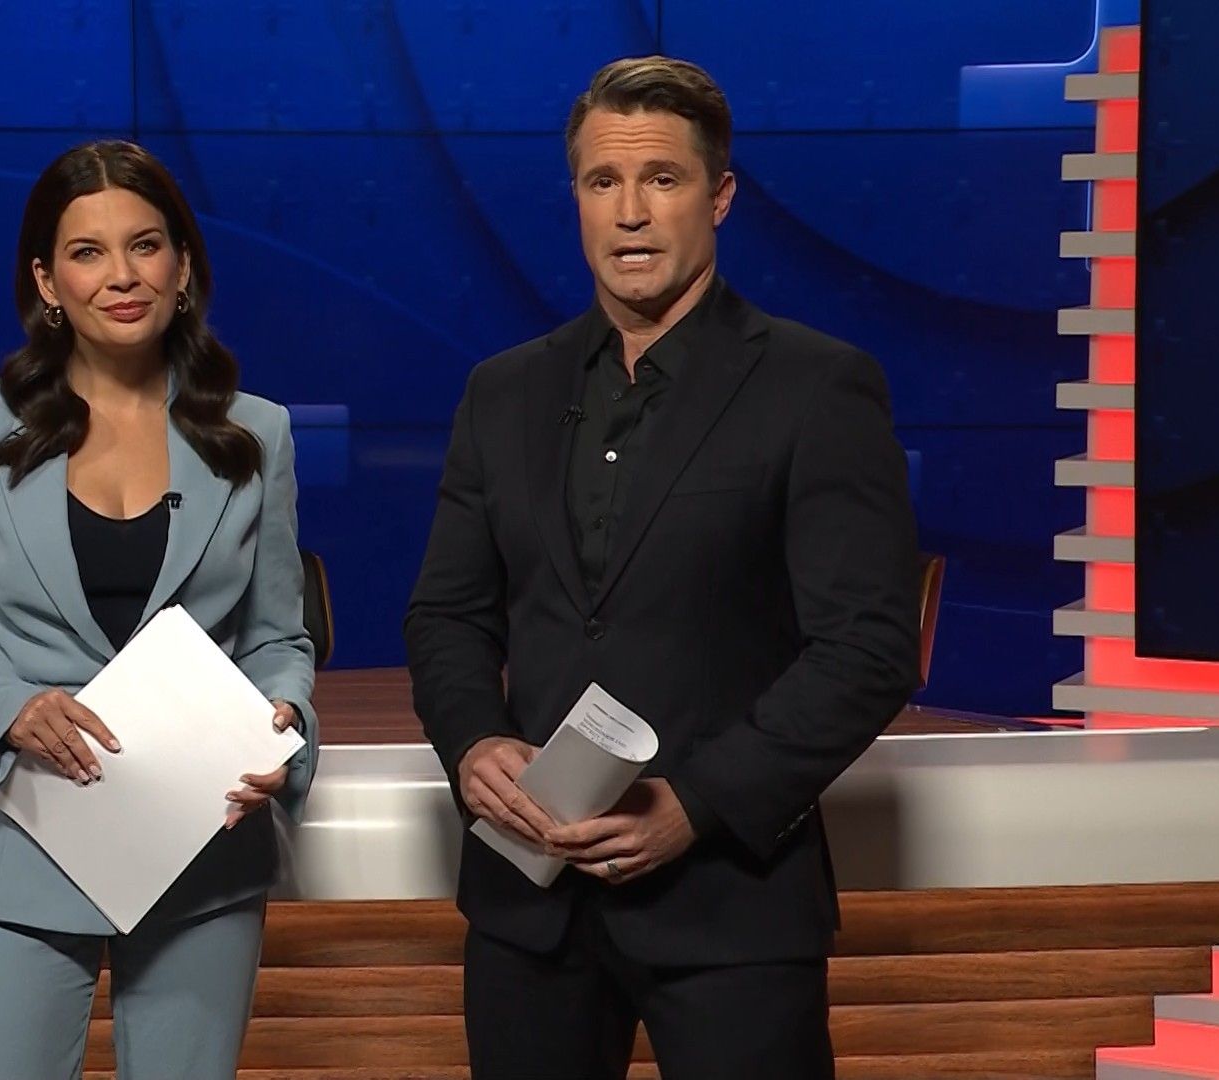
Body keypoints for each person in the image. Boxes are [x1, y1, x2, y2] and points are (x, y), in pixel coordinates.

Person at [404, 57, 920, 1078]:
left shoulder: (817, 386)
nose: (630, 212)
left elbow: (867, 648)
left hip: (731, 906)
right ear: (577, 198)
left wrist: (698, 803)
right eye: (603, 182)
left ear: (719, 197)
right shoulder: (502, 392)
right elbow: (447, 616)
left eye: (663, 180)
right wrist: (473, 743)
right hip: (530, 908)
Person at [0, 139, 317, 1080]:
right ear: (47, 280)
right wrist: (10, 708)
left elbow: (279, 635)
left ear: (183, 267)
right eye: (87, 252)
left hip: (202, 840)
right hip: (25, 836)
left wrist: (283, 726)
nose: (122, 275)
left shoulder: (257, 433)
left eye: (146, 245)